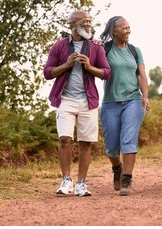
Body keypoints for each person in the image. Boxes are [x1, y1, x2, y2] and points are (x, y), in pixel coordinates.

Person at [43, 10, 111, 196]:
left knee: (85, 143)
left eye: (90, 21)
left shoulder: (96, 47)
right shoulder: (59, 46)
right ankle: (66, 180)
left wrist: (89, 67)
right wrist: (66, 64)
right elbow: (47, 73)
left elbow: (107, 72)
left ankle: (81, 183)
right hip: (65, 99)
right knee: (64, 139)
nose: (89, 24)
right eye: (84, 21)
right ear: (73, 25)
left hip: (88, 101)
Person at [99, 16, 150, 196]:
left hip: (133, 100)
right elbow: (95, 66)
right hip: (110, 102)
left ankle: (127, 180)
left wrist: (145, 96)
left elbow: (141, 75)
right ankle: (117, 168)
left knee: (128, 140)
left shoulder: (135, 51)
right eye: (124, 28)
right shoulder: (105, 49)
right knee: (111, 146)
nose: (127, 31)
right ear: (114, 31)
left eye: (129, 27)